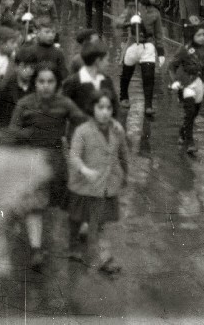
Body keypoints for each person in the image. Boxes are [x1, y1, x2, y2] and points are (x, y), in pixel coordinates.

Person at [7, 63, 88, 270]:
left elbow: (82, 123)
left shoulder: (64, 103)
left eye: (50, 81)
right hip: (33, 161)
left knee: (71, 199)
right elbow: (12, 131)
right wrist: (26, 135)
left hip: (57, 161)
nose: (45, 85)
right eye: (41, 81)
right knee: (35, 205)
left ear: (57, 84)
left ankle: (80, 234)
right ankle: (36, 250)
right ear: (34, 83)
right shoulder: (24, 104)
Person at [67, 92, 128, 274]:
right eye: (100, 107)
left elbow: (123, 153)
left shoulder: (117, 130)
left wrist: (125, 174)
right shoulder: (83, 131)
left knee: (100, 223)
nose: (105, 112)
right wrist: (84, 170)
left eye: (109, 108)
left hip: (106, 185)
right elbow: (74, 156)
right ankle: (73, 245)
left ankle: (104, 258)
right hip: (83, 185)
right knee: (77, 218)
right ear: (92, 108)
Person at [167, 18, 204, 155]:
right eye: (198, 35)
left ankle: (183, 131)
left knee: (194, 113)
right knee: (189, 112)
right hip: (187, 84)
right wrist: (174, 81)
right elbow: (172, 66)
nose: (202, 37)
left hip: (202, 84)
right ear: (192, 36)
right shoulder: (184, 49)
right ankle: (190, 142)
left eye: (203, 34)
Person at [117, 0, 163, 118]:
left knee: (149, 76)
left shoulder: (156, 13)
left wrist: (161, 52)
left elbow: (159, 34)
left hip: (148, 46)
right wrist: (130, 22)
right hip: (132, 44)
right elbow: (118, 23)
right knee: (126, 74)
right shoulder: (132, 8)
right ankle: (123, 96)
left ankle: (148, 105)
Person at [62, 40, 117, 117]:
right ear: (98, 61)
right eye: (106, 60)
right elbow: (63, 109)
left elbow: (115, 107)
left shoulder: (107, 80)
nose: (108, 63)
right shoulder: (73, 82)